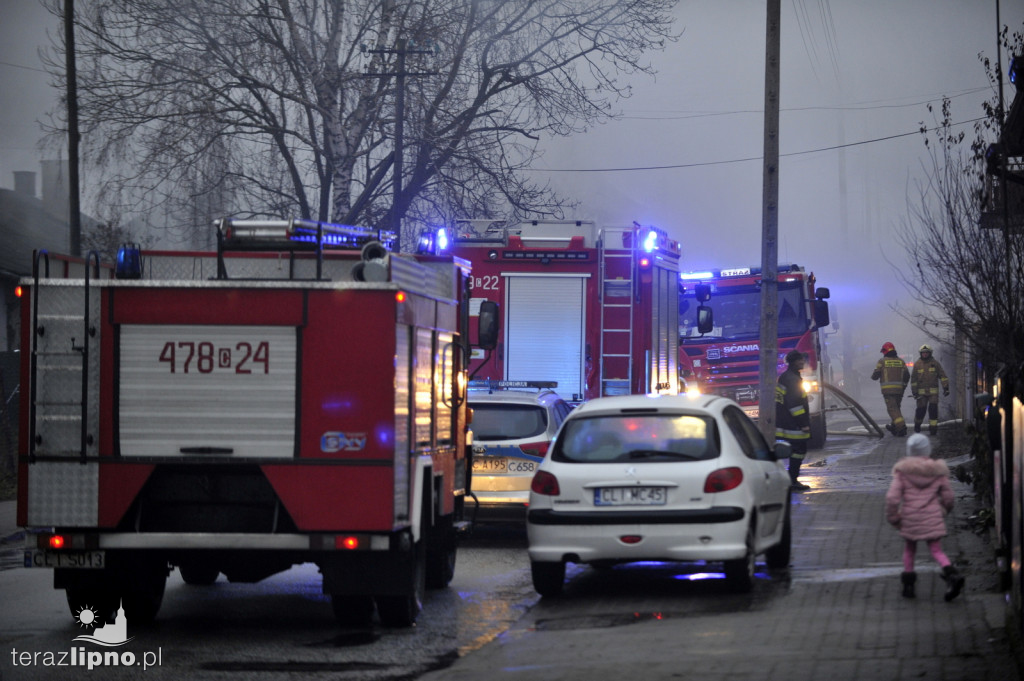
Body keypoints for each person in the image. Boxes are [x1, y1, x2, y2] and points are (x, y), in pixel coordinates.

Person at [884, 433, 964, 601]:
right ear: (927, 449)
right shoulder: (937, 472)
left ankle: (908, 586)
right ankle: (951, 574)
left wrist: (894, 517)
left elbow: (892, 498)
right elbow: (948, 497)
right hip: (932, 516)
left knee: (910, 549)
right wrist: (943, 511)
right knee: (936, 550)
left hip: (910, 517)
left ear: (909, 451)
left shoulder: (902, 472)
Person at [775, 350, 811, 491]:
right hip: (793, 424)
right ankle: (792, 480)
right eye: (798, 360)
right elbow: (794, 404)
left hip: (786, 421)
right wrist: (803, 424)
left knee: (792, 450)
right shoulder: (792, 379)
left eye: (802, 359)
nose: (802, 362)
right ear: (792, 362)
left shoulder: (787, 377)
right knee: (799, 450)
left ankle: (791, 479)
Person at [871, 341, 910, 436]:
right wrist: (903, 386)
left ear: (885, 351)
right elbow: (907, 375)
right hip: (899, 390)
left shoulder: (882, 361)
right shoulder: (901, 361)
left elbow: (875, 375)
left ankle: (901, 427)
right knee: (896, 408)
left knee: (892, 409)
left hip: (888, 391)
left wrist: (873, 376)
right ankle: (894, 427)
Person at [910, 344, 950, 435]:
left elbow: (943, 376)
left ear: (930, 353)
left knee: (933, 410)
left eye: (926, 353)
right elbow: (913, 380)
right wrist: (914, 391)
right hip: (921, 394)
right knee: (921, 410)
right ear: (920, 354)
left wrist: (946, 387)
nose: (924, 355)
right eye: (923, 353)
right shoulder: (917, 364)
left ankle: (933, 428)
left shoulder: (935, 364)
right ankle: (917, 425)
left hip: (933, 394)